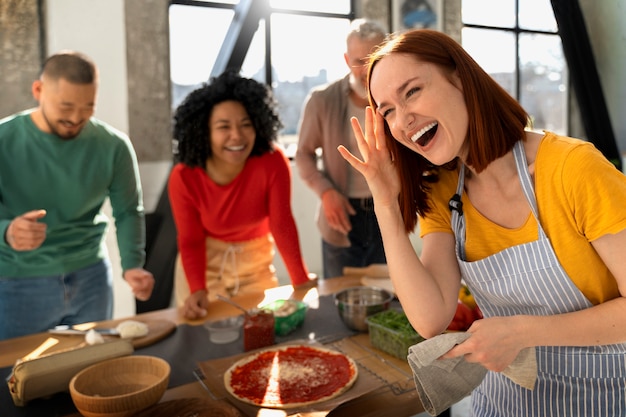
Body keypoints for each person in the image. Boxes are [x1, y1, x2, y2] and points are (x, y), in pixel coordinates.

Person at [339, 29, 626, 415]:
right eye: (387, 110)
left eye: (412, 92)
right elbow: (430, 317)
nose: (404, 119)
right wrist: (385, 203)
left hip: (602, 399)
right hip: (504, 403)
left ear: (460, 79)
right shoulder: (444, 191)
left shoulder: (573, 169)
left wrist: (523, 333)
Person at [0, 51, 154, 341]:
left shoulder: (114, 146)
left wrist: (133, 264)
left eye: (88, 108)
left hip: (91, 276)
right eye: (66, 106)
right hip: (15, 281)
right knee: (13, 378)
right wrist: (6, 231)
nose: (75, 118)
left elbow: (128, 210)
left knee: (91, 372)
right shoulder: (4, 140)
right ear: (38, 90)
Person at [169, 70, 315, 320]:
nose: (236, 135)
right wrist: (197, 289)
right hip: (203, 267)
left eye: (246, 124)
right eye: (223, 126)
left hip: (254, 264)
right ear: (204, 131)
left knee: (263, 332)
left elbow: (281, 223)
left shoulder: (272, 161)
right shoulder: (184, 176)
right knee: (208, 338)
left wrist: (300, 279)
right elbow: (190, 240)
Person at [295, 19, 388, 279]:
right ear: (347, 60)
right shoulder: (322, 100)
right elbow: (303, 155)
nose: (367, 69)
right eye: (360, 61)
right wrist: (325, 192)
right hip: (341, 214)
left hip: (387, 211)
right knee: (340, 299)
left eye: (376, 58)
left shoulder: (396, 100)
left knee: (387, 297)